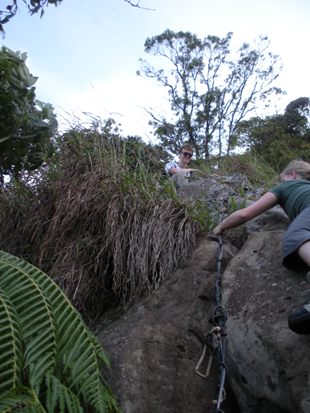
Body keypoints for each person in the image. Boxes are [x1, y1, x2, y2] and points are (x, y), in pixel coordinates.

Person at [213, 159, 310, 335]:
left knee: (296, 235)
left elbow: (245, 214)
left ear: (292, 175)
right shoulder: (305, 191)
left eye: (282, 179)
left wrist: (221, 226)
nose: (280, 183)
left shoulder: (286, 187)